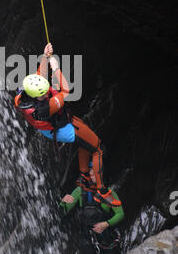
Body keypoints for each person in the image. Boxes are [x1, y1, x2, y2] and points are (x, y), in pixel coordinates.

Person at [15, 43, 121, 207]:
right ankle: (101, 191)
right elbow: (66, 90)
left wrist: (44, 57)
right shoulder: (46, 107)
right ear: (38, 96)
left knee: (85, 138)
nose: (46, 92)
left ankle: (85, 176)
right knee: (97, 148)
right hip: (60, 129)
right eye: (43, 93)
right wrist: (56, 68)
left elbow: (40, 74)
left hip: (50, 127)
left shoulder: (25, 92)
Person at [60, 164, 125, 254]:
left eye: (94, 172)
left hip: (106, 237)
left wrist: (106, 224)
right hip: (87, 238)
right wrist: (62, 202)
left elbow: (120, 214)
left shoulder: (108, 195)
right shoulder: (80, 191)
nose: (92, 174)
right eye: (90, 172)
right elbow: (63, 211)